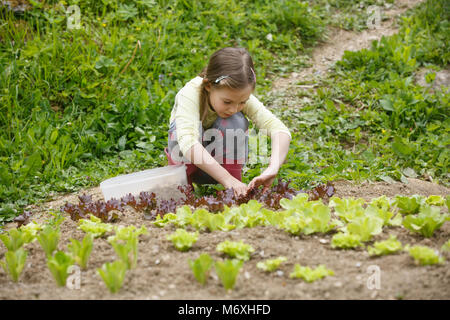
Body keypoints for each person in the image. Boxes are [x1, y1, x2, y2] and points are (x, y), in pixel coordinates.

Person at [165, 47, 291, 197]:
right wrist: (226, 179)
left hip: (220, 168)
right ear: (208, 86)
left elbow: (279, 130)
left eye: (242, 102)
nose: (233, 108)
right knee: (181, 131)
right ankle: (184, 188)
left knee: (235, 121)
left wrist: (273, 167)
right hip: (188, 166)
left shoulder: (237, 96)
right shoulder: (191, 93)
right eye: (227, 102)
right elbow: (188, 143)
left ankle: (233, 189)